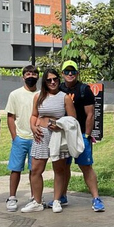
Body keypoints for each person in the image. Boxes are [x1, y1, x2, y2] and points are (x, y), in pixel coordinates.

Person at [23, 68, 77, 213]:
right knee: (35, 169)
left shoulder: (64, 97)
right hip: (41, 135)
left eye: (55, 79)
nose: (52, 82)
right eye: (49, 80)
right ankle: (37, 201)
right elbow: (34, 115)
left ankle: (57, 200)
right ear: (45, 82)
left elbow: (72, 119)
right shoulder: (38, 96)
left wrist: (59, 125)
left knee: (59, 169)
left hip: (57, 135)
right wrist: (33, 127)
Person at [58, 60, 105, 212]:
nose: (70, 74)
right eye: (66, 71)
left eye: (72, 71)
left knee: (86, 167)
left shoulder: (84, 89)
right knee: (63, 168)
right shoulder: (58, 89)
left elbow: (90, 114)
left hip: (80, 135)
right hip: (63, 135)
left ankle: (96, 198)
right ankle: (62, 196)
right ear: (62, 73)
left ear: (77, 73)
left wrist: (86, 135)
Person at [5, 65, 39, 211]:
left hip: (36, 138)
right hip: (20, 138)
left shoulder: (41, 94)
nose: (30, 76)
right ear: (23, 77)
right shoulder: (15, 94)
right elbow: (10, 117)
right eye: (28, 74)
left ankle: (34, 196)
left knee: (35, 170)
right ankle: (12, 197)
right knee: (15, 169)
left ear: (38, 76)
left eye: (34, 74)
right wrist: (15, 136)